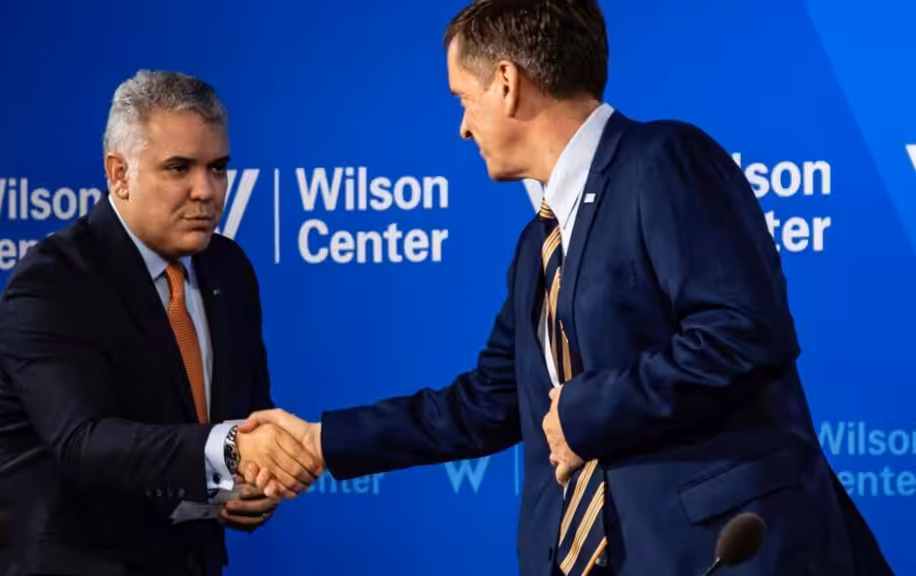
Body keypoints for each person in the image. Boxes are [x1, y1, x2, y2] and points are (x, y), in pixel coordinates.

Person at [244, 1, 894, 575]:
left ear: (506, 83)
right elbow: (488, 402)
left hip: (719, 550)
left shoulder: (663, 160)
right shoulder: (537, 244)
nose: (462, 129)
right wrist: (320, 441)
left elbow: (741, 333)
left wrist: (587, 413)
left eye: (461, 100)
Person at [0, 70, 321, 576]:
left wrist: (248, 482)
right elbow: (85, 443)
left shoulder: (229, 269)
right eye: (178, 168)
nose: (205, 190)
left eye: (218, 167)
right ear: (119, 173)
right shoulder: (53, 282)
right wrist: (232, 452)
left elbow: (239, 421)